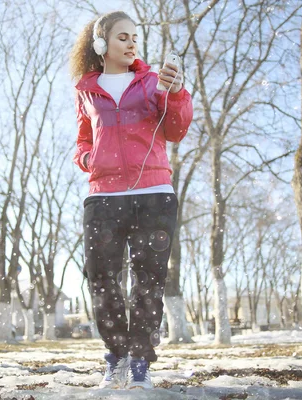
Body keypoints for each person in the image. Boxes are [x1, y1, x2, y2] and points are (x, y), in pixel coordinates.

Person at [70, 11, 193, 390]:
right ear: (101, 43)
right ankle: (116, 357)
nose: (132, 43)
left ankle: (140, 362)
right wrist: (88, 159)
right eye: (123, 37)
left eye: (135, 37)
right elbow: (83, 141)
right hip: (104, 197)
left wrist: (176, 94)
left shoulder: (154, 82)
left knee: (148, 282)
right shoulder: (86, 90)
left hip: (153, 194)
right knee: (102, 280)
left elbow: (176, 130)